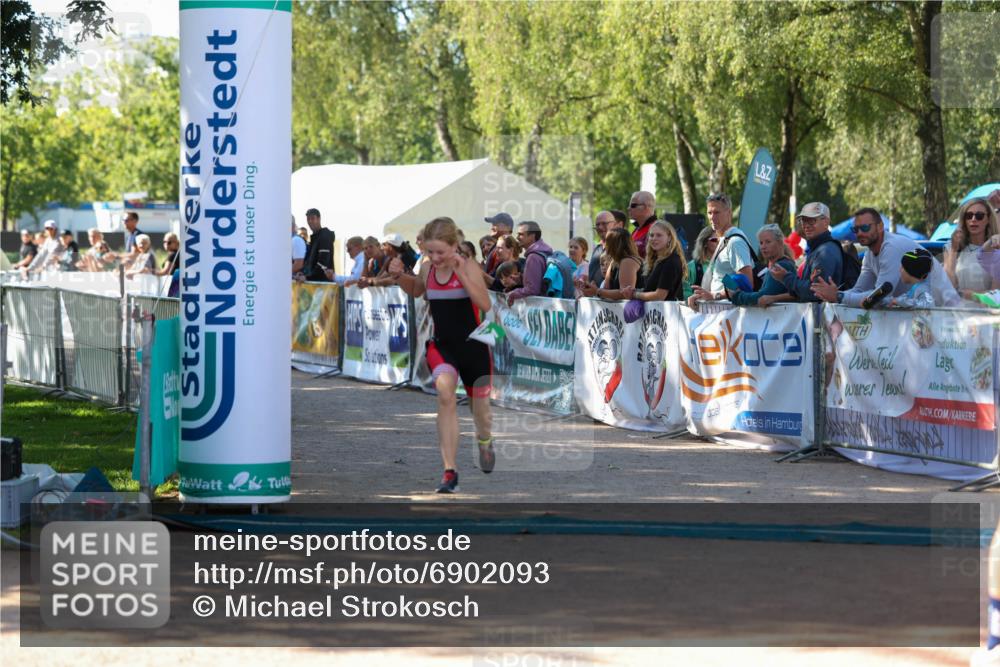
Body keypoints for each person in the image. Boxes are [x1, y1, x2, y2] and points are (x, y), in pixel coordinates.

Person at [388, 217, 494, 493]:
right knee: (445, 395)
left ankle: (484, 440)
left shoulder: (469, 266)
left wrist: (460, 274)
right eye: (429, 252)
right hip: (442, 345)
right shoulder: (426, 267)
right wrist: (399, 276)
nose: (434, 258)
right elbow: (417, 290)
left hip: (474, 346)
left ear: (454, 246)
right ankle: (450, 471)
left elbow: (485, 304)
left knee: (480, 413)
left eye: (440, 252)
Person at [810, 207, 960, 307]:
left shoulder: (891, 247)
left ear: (880, 226)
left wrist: (839, 296)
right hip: (925, 318)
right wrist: (833, 294)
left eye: (865, 228)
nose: (860, 233)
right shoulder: (869, 254)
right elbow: (860, 290)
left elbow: (878, 296)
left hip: (945, 316)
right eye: (856, 229)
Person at [767, 202, 845, 303]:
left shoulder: (826, 251)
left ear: (826, 222)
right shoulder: (817, 249)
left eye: (812, 221)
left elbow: (815, 292)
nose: (806, 225)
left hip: (826, 317)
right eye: (803, 221)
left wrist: (786, 277)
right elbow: (803, 292)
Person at [687, 193, 755, 308]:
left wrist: (715, 296)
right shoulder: (725, 240)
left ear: (728, 213)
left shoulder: (734, 242)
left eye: (716, 212)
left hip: (731, 314)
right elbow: (726, 279)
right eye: (709, 213)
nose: (712, 217)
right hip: (722, 313)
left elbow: (747, 283)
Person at [724, 224, 797, 307]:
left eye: (768, 242)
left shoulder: (782, 265)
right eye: (761, 243)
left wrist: (737, 295)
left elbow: (762, 297)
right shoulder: (779, 265)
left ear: (780, 243)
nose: (763, 247)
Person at [944, 197, 1000, 300]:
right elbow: (946, 286)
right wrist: (953, 249)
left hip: (986, 313)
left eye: (979, 216)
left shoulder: (995, 250)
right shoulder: (951, 247)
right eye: (969, 216)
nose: (973, 219)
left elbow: (996, 295)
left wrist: (968, 295)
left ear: (988, 219)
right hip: (954, 313)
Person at [623, 221, 686, 302]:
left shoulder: (671, 261)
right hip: (653, 313)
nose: (654, 238)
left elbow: (660, 295)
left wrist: (635, 294)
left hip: (667, 313)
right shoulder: (655, 260)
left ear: (670, 237)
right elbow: (650, 289)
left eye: (659, 235)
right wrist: (635, 291)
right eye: (651, 235)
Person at [578, 228, 642, 300]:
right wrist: (590, 290)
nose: (604, 245)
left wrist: (597, 291)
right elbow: (606, 290)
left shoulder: (627, 261)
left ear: (614, 245)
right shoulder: (614, 262)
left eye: (607, 241)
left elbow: (625, 293)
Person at [506, 221, 552, 305]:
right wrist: (522, 279)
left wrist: (513, 293)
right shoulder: (542, 252)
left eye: (521, 234)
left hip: (539, 307)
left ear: (532, 236)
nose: (517, 237)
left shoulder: (533, 257)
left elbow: (532, 289)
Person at [299, 208, 335, 282]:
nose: (310, 221)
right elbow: (310, 261)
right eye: (308, 219)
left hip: (322, 285)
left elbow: (323, 263)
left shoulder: (324, 236)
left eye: (312, 218)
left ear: (319, 219)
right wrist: (302, 273)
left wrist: (308, 277)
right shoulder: (314, 237)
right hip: (314, 283)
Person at [683, 227, 717, 299]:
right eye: (714, 240)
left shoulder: (726, 265)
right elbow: (685, 292)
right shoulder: (691, 267)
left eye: (721, 239)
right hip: (698, 308)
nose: (719, 242)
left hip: (724, 308)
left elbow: (732, 290)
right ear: (704, 243)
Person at [628, 191, 657, 259]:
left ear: (646, 206)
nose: (628, 208)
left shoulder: (656, 229)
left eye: (633, 205)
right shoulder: (637, 229)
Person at [587, 211, 613, 284]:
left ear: (615, 224)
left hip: (607, 294)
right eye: (597, 225)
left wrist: (598, 291)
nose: (600, 227)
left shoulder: (619, 248)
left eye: (604, 223)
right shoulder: (597, 248)